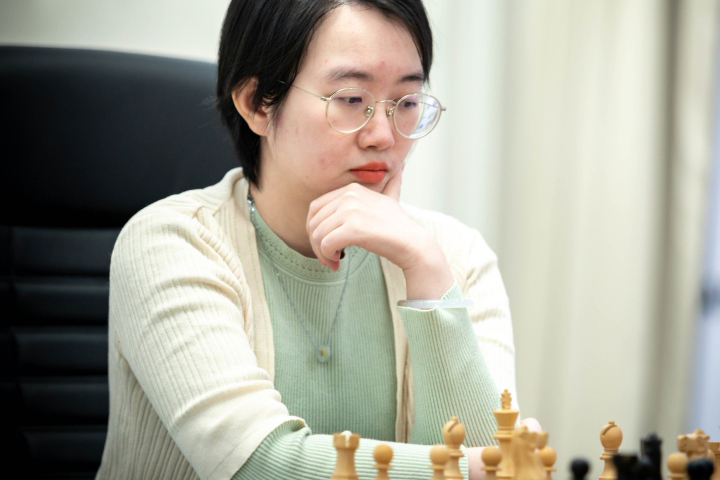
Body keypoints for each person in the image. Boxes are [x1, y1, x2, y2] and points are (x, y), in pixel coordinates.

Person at [96, 1, 522, 479]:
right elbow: (259, 464)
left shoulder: (455, 256)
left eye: (405, 103)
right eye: (351, 99)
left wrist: (425, 270)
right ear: (257, 103)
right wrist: (470, 471)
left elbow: (492, 453)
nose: (383, 136)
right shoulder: (173, 244)